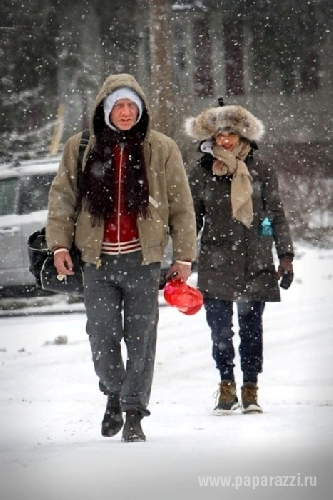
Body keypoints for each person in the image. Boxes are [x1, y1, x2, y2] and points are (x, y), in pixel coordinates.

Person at [46, 73, 197, 441]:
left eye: (132, 105)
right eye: (119, 106)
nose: (126, 112)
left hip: (143, 261)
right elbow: (62, 198)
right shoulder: (80, 147)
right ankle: (114, 391)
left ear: (141, 109)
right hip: (96, 261)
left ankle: (133, 412)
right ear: (105, 109)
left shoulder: (161, 148)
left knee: (141, 338)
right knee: (102, 336)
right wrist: (60, 245)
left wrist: (184, 256)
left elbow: (181, 206)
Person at [185, 102, 294, 414]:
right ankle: (225, 385)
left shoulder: (261, 169)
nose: (226, 140)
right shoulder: (201, 172)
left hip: (254, 259)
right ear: (212, 137)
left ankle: (250, 386)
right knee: (220, 330)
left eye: (232, 133)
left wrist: (284, 254)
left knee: (250, 327)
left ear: (242, 134)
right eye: (220, 134)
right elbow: (192, 220)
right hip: (215, 260)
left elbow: (276, 214)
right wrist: (182, 257)